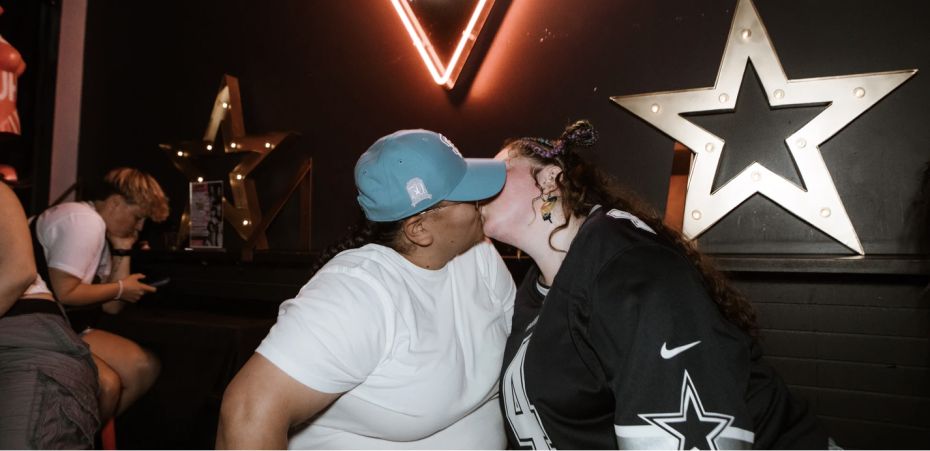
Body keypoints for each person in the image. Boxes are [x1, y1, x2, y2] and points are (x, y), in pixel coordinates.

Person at [481, 120, 829, 450]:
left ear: (549, 180)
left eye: (499, 172)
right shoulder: (534, 290)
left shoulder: (624, 260)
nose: (480, 189)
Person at [218, 129, 516, 449]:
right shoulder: (357, 293)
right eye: (465, 194)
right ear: (419, 229)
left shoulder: (478, 253)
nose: (481, 201)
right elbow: (247, 413)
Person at [23, 167, 169, 423]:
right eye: (137, 217)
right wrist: (123, 288)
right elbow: (66, 293)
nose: (139, 227)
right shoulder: (82, 220)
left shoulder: (97, 227)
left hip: (60, 324)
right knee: (108, 386)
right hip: (29, 323)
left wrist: (122, 250)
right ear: (116, 202)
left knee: (143, 367)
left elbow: (112, 308)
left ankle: (84, 437)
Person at [0, 181, 100, 449]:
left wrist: (122, 279)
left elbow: (19, 273)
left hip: (20, 331)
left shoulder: (86, 221)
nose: (138, 226)